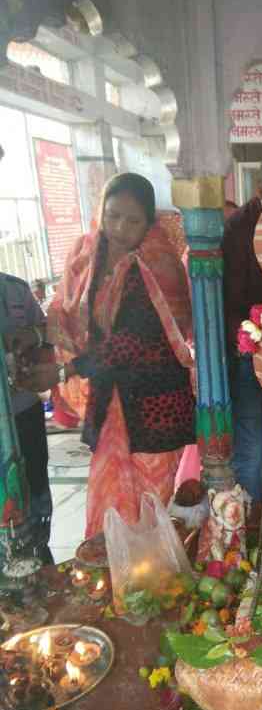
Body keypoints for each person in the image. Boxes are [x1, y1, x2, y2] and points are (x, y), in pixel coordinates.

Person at [26, 173, 195, 539]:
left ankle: (155, 584)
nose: (119, 228)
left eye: (133, 220)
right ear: (100, 211)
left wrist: (64, 371)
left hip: (156, 407)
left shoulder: (158, 264)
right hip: (112, 403)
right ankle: (120, 584)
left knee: (151, 511)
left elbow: (131, 341)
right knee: (113, 511)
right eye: (113, 215)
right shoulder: (90, 257)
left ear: (148, 223)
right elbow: (69, 312)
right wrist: (40, 335)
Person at [223, 150, 262, 506]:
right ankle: (247, 522)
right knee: (253, 439)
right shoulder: (241, 228)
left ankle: (261, 510)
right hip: (248, 347)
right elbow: (232, 300)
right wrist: (252, 335)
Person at [1, 272, 53, 563]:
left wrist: (32, 335)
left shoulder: (15, 290)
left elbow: (50, 330)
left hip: (24, 409)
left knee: (36, 477)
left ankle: (40, 546)